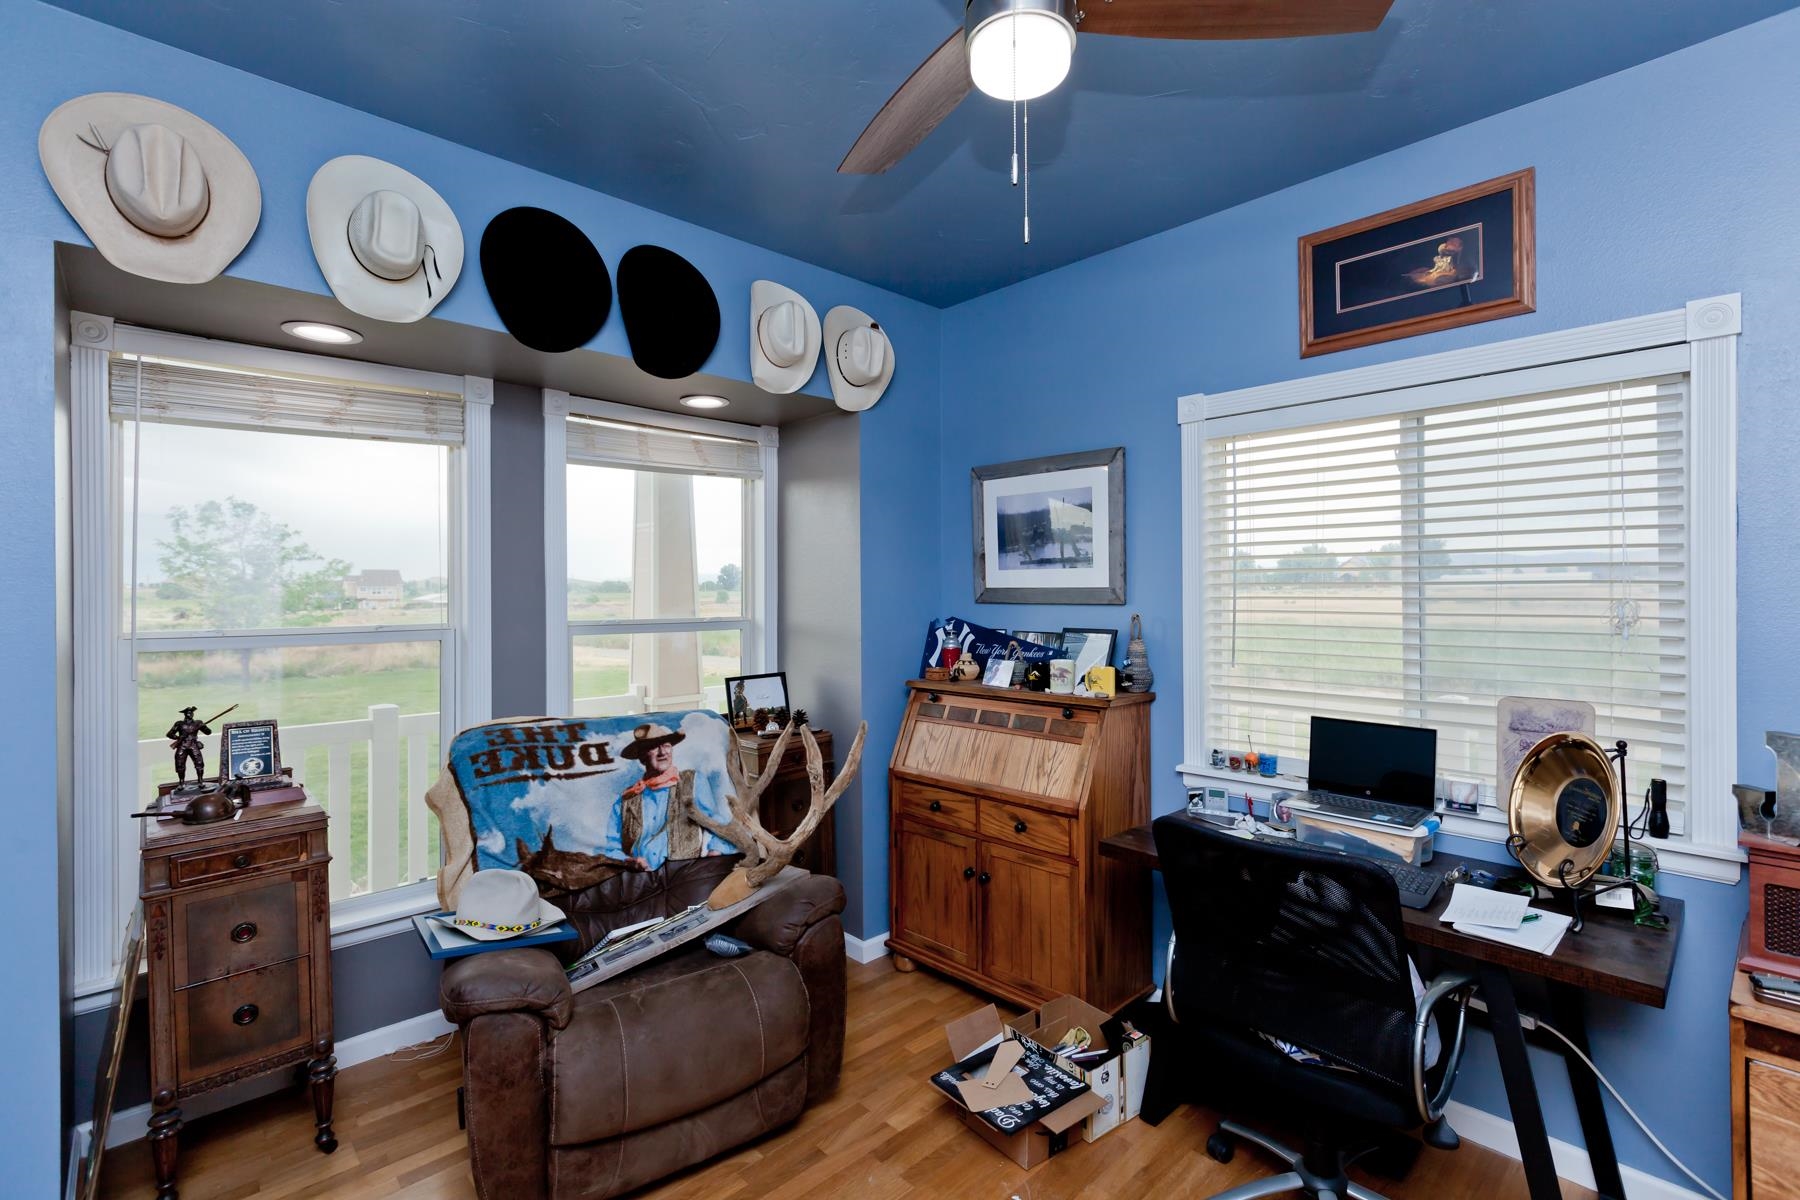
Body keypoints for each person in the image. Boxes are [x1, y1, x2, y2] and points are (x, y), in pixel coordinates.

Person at [616, 723, 722, 869]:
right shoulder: (628, 798)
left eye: (666, 745)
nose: (662, 752)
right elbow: (612, 844)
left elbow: (716, 822)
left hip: (688, 869)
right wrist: (627, 860)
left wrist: (715, 853)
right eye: (654, 747)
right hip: (639, 876)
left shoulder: (693, 781)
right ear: (642, 756)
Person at [166, 705, 211, 785]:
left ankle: (200, 781)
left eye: (191, 713)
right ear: (185, 714)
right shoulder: (179, 723)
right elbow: (169, 734)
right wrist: (178, 737)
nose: (190, 714)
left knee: (199, 763)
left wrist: (204, 727)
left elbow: (208, 732)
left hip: (193, 745)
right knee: (179, 764)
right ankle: (181, 782)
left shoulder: (198, 723)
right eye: (188, 713)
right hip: (182, 745)